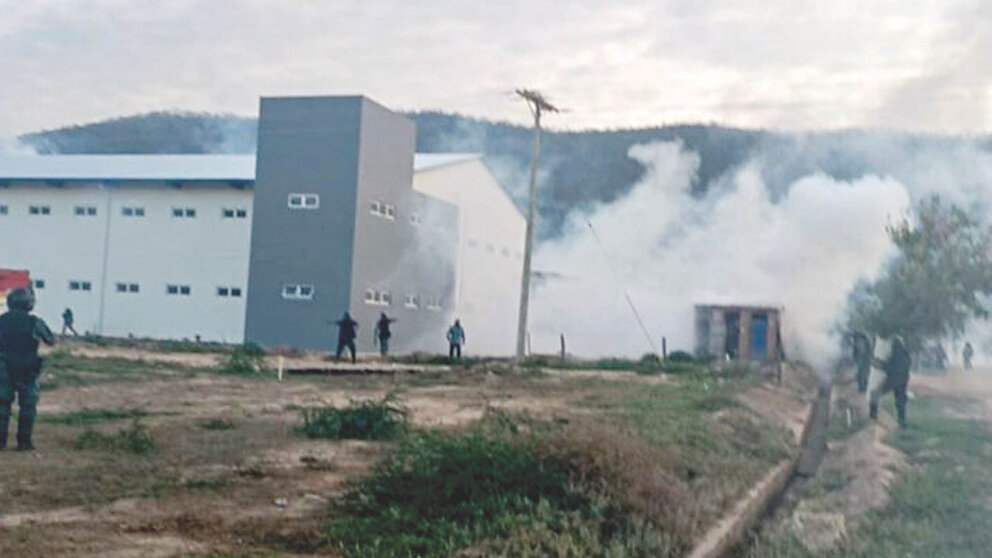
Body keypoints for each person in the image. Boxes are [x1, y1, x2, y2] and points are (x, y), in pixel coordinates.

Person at [0, 288, 55, 450]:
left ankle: (1, 442)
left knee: (2, 407)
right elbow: (50, 340)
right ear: (29, 304)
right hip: (28, 368)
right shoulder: (34, 322)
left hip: (4, 367)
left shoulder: (1, 321)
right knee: (27, 407)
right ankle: (24, 442)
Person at [869, 334, 911, 428]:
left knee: (874, 393)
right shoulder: (902, 350)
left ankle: (873, 418)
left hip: (895, 377)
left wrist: (879, 364)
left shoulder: (896, 349)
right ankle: (902, 421)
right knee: (900, 400)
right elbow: (906, 363)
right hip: (903, 377)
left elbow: (894, 366)